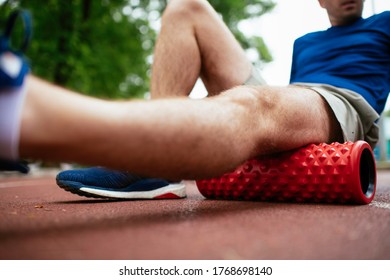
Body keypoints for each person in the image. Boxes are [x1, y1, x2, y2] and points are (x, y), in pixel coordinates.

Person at [1, 0, 389, 199]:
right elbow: (289, 100)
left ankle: (23, 114)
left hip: (343, 104)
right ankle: (158, 171)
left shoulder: (383, 23)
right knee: (186, 7)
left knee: (253, 105)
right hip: (297, 100)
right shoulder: (304, 43)